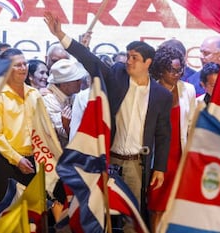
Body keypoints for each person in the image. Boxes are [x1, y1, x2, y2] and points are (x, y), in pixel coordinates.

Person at [44, 12, 172, 231]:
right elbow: (90, 60)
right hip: (108, 159)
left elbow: (163, 133)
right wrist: (61, 35)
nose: (129, 61)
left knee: (131, 216)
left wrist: (159, 168)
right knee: (102, 215)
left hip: (135, 165)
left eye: (135, 58)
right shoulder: (117, 75)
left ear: (147, 63)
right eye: (128, 56)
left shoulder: (161, 95)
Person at [147, 45, 196, 233]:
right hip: (157, 156)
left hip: (179, 155)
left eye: (180, 69)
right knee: (155, 204)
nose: (177, 74)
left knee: (174, 204)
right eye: (172, 70)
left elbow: (191, 123)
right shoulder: (150, 90)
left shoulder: (188, 90)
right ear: (160, 69)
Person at [0, 48, 40, 207]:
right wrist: (18, 159)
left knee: (32, 214)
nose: (23, 68)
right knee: (7, 214)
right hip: (8, 162)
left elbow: (43, 129)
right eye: (17, 65)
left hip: (34, 161)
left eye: (25, 64)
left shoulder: (35, 94)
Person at [43, 58, 89, 148]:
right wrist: (67, 125)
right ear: (64, 85)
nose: (80, 82)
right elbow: (63, 133)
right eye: (76, 80)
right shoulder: (49, 101)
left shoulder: (73, 95)